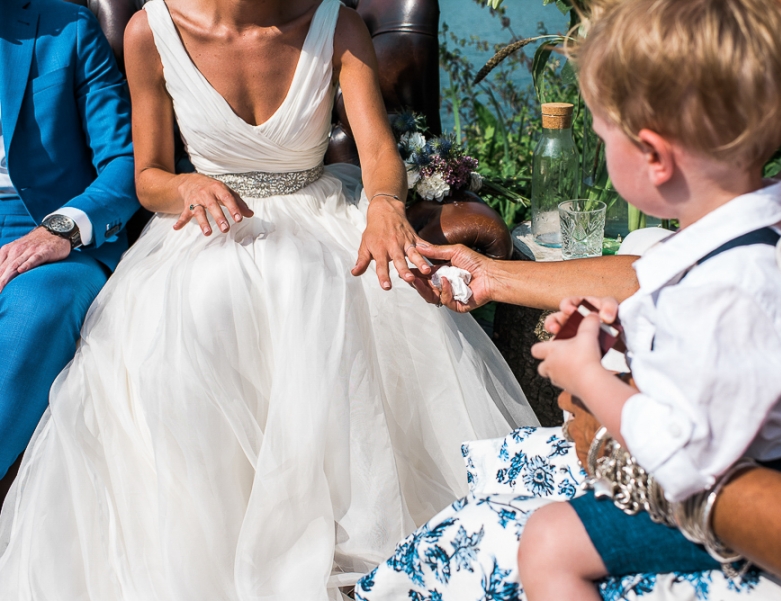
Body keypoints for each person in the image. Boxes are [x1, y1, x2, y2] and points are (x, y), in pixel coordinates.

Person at [359, 0, 781, 600]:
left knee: (509, 540)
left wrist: (623, 445)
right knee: (497, 484)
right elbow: (698, 272)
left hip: (778, 514)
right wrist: (493, 278)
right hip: (730, 470)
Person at [0, 0, 537, 599]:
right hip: (204, 226)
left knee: (341, 289)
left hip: (324, 214)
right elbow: (148, 175)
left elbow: (379, 150)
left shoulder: (335, 23)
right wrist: (184, 184)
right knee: (202, 306)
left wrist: (384, 205)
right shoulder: (150, 30)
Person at [516, 0, 781, 598]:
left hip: (762, 497)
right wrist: (617, 342)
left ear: (655, 157)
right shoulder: (734, 248)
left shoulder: (733, 285)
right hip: (739, 465)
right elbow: (707, 369)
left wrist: (590, 379)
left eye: (601, 133)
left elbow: (686, 459)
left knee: (548, 543)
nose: (598, 145)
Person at [0, 0, 139, 497]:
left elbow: (126, 163)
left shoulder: (67, 28)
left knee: (40, 306)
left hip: (53, 229)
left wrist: (60, 229)